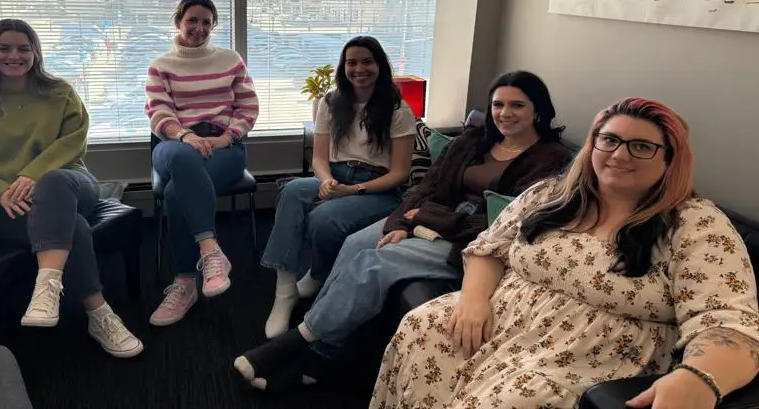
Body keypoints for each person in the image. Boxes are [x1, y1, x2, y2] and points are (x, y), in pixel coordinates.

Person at [371, 97, 759, 409]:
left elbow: (729, 322)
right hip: (500, 321)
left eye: (641, 146)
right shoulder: (552, 194)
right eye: (609, 140)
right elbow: (489, 247)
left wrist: (699, 378)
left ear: (670, 159)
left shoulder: (695, 224)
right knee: (421, 328)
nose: (619, 155)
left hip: (582, 359)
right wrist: (473, 299)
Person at [234, 70, 573, 389]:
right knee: (355, 244)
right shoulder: (474, 140)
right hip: (427, 219)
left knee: (374, 262)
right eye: (498, 104)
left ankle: (314, 353)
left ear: (538, 110)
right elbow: (427, 185)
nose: (504, 113)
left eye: (517, 105)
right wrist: (401, 223)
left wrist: (427, 219)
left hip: (471, 243)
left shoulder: (550, 159)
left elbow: (506, 223)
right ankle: (322, 334)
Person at [0, 19, 143, 358]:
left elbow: (73, 141)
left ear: (35, 53)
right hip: (7, 200)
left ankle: (46, 284)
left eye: (23, 48)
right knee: (72, 225)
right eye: (4, 48)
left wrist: (33, 175)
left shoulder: (59, 92)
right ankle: (99, 314)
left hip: (69, 182)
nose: (14, 55)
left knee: (53, 182)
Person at [261, 36, 416, 339]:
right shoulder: (331, 102)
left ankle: (318, 273)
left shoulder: (398, 110)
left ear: (380, 66)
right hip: (336, 174)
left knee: (323, 218)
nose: (359, 69)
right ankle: (284, 291)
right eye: (351, 62)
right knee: (291, 190)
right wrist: (326, 181)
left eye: (367, 61)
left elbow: (399, 173)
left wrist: (354, 190)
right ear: (343, 67)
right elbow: (319, 157)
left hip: (378, 188)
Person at [146, 0, 258, 327]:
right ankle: (210, 250)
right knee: (182, 157)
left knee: (175, 193)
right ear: (178, 22)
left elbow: (248, 107)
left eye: (207, 22)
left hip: (223, 148)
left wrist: (226, 138)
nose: (199, 27)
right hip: (174, 145)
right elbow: (159, 112)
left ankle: (185, 282)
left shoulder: (230, 60)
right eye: (192, 20)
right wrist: (185, 136)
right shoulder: (161, 65)